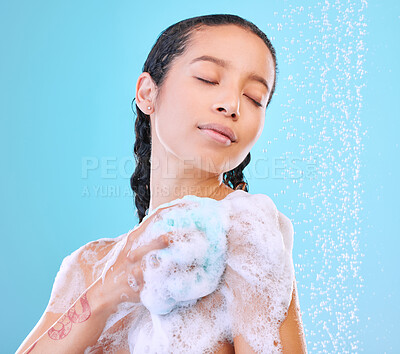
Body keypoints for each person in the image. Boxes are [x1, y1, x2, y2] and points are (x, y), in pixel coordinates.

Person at [17, 14, 307, 353]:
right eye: (208, 78)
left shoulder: (247, 237)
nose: (231, 105)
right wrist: (106, 292)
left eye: (255, 98)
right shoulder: (89, 266)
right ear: (147, 93)